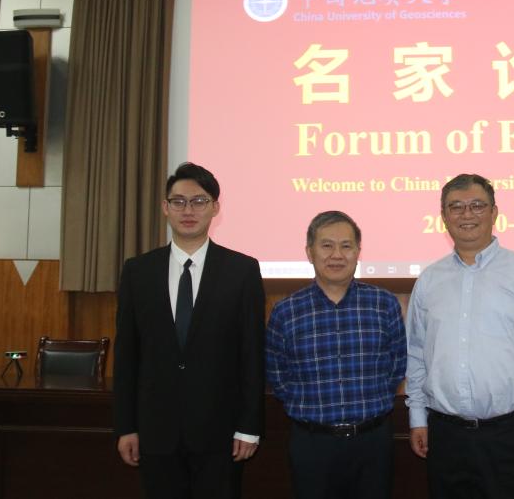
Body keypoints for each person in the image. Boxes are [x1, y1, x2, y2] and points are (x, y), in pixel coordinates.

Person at [405, 173, 514, 499]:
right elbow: (417, 355)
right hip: (446, 436)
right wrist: (418, 417)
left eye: (477, 205)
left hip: (510, 433)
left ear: (494, 213)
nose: (467, 214)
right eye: (456, 207)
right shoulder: (429, 280)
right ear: (443, 217)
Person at [114, 162, 265, 499]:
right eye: (179, 201)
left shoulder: (241, 270)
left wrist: (249, 427)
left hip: (221, 433)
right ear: (165, 207)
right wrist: (126, 426)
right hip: (155, 433)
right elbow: (127, 356)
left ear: (215, 208)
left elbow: (251, 355)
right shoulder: (138, 271)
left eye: (199, 201)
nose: (188, 210)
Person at [266, 211, 406, 499]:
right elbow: (278, 375)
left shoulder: (384, 304)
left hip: (372, 442)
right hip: (312, 444)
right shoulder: (286, 311)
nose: (337, 255)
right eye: (327, 245)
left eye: (346, 246)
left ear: (358, 252)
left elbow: (397, 365)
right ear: (310, 252)